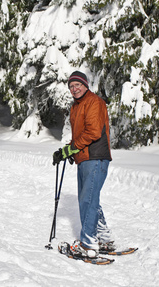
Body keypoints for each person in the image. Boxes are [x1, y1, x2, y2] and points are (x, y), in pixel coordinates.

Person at [53, 71, 114, 258]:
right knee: (90, 199)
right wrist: (70, 152)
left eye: (77, 85)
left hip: (96, 157)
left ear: (85, 85)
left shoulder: (94, 102)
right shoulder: (76, 106)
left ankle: (88, 244)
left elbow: (94, 132)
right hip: (85, 158)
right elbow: (80, 136)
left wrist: (71, 149)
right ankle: (104, 239)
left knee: (87, 200)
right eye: (71, 86)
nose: (74, 89)